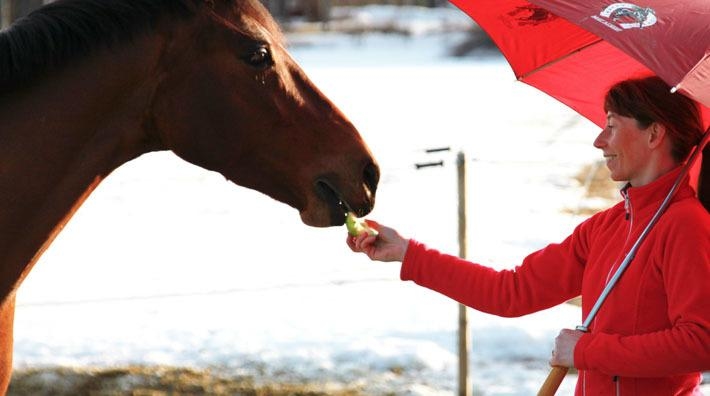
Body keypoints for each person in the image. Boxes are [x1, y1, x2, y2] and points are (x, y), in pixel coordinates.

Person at [346, 76, 710, 395]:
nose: (599, 140)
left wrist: (587, 351)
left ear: (655, 133)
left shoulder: (686, 225)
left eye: (612, 125)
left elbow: (700, 342)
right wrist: (408, 254)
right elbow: (512, 292)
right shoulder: (607, 227)